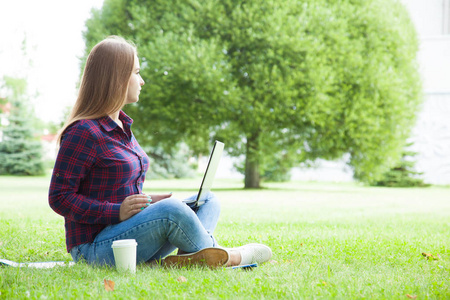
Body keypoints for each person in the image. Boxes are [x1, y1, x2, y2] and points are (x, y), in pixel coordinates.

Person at [48, 36, 272, 268]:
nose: (142, 81)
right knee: (172, 210)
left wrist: (145, 202)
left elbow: (117, 188)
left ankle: (191, 259)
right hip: (95, 248)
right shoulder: (84, 131)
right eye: (136, 73)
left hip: (129, 232)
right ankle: (228, 257)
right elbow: (59, 197)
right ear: (117, 77)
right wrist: (117, 212)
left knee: (207, 201)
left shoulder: (122, 126)